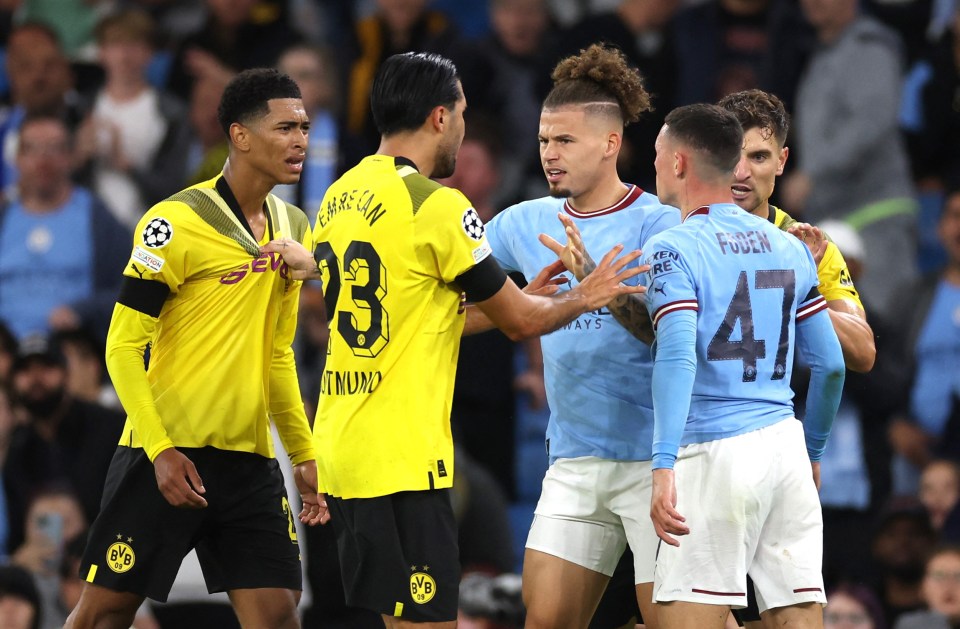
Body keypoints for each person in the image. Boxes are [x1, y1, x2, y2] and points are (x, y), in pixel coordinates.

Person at [264, 51, 646, 628]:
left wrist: (530, 298)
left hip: (343, 446)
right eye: (462, 113)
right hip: (403, 457)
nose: (465, 127)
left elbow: (423, 314)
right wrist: (583, 295)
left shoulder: (339, 197)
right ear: (440, 117)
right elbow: (520, 324)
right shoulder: (440, 206)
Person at [64, 68, 323, 629]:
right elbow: (122, 348)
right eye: (285, 127)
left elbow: (277, 355)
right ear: (240, 135)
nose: (301, 139)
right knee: (103, 617)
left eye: (304, 126)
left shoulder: (294, 226)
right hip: (166, 455)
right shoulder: (174, 223)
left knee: (279, 617)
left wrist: (302, 455)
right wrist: (159, 451)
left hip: (249, 462)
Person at [470, 43, 678, 629]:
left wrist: (598, 291)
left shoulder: (658, 222)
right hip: (574, 462)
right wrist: (529, 304)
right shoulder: (521, 223)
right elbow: (445, 314)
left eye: (565, 141)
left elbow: (677, 343)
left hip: (657, 463)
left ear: (611, 144)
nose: (549, 156)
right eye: (543, 141)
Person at [642, 104, 846, 628]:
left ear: (681, 163)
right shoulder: (791, 246)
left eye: (660, 155)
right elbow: (829, 366)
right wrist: (814, 451)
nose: (656, 165)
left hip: (714, 453)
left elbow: (678, 355)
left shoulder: (672, 247)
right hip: (785, 449)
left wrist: (663, 464)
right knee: (798, 619)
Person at [717, 88, 875, 373]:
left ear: (782, 161)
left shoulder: (809, 246)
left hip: (768, 413)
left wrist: (800, 288)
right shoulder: (680, 231)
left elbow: (863, 352)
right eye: (731, 155)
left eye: (759, 157)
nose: (741, 173)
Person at [894, 545, 960, 629]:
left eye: (958, 577)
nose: (948, 585)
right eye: (938, 576)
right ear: (922, 588)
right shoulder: (911, 625)